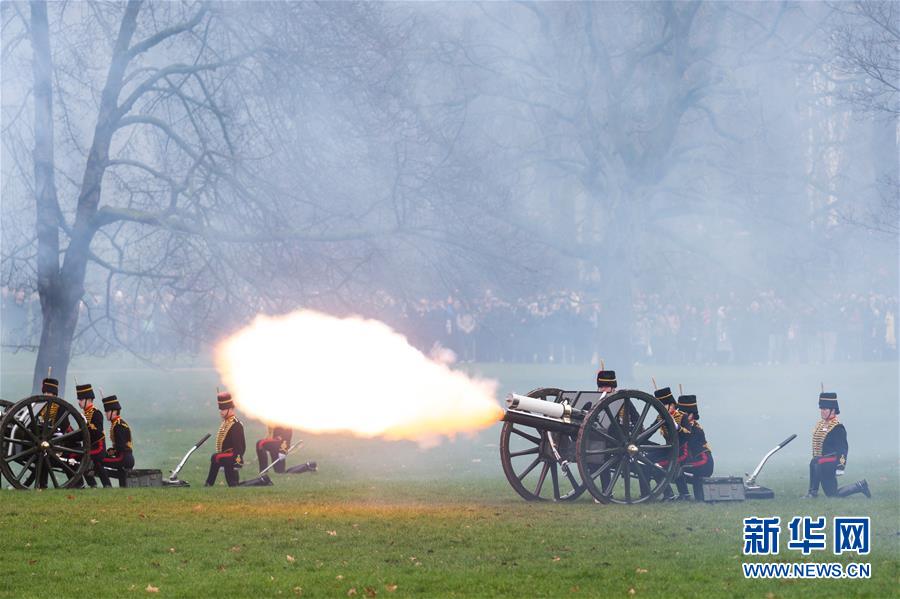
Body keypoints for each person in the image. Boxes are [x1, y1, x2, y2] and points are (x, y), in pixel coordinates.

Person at [804, 391, 870, 498]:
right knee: (832, 495)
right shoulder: (820, 425)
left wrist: (840, 466)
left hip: (831, 461)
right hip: (822, 464)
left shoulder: (838, 428)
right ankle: (860, 486)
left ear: (833, 410)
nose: (822, 411)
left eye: (825, 409)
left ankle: (812, 493)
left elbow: (843, 449)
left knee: (815, 461)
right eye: (821, 409)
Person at [674, 394, 714, 500]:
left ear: (691, 415)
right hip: (695, 460)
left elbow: (685, 446)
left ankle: (685, 495)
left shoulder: (695, 429)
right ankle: (687, 495)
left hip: (704, 462)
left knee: (678, 468)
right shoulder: (687, 428)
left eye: (684, 414)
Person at [206, 391, 245, 487]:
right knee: (233, 485)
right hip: (227, 456)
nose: (221, 412)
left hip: (233, 456)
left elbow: (239, 447)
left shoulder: (236, 424)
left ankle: (209, 484)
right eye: (220, 409)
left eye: (224, 409)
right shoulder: (226, 423)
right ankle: (209, 484)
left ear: (231, 409)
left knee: (216, 457)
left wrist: (237, 462)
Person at [75, 383, 110, 488]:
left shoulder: (96, 413)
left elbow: (97, 434)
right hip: (89, 447)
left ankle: (93, 484)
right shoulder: (84, 414)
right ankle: (93, 485)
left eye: (81, 400)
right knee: (77, 455)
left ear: (88, 399)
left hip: (98, 447)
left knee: (81, 456)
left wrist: (87, 425)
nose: (79, 402)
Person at [100, 394, 134, 487]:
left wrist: (112, 451)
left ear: (114, 411)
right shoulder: (116, 424)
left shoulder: (118, 425)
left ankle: (107, 486)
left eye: (107, 411)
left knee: (99, 462)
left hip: (124, 458)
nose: (106, 413)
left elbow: (121, 446)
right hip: (123, 456)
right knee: (122, 483)